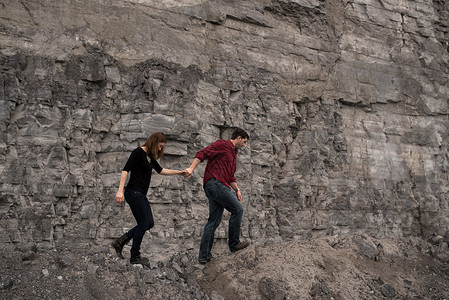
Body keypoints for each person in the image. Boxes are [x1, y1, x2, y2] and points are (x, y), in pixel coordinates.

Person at [112, 132, 186, 265]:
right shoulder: (138, 152)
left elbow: (161, 170)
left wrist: (180, 172)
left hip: (140, 194)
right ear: (154, 142)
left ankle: (121, 241)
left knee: (149, 223)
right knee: (143, 223)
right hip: (133, 192)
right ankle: (134, 255)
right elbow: (125, 170)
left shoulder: (150, 157)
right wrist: (120, 191)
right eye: (159, 146)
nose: (160, 149)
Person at [185, 127, 250, 264]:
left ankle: (204, 257)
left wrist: (237, 190)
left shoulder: (234, 153)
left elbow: (230, 177)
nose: (244, 145)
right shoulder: (222, 145)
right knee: (238, 209)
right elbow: (202, 153)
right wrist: (191, 168)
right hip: (215, 183)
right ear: (238, 138)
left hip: (218, 185)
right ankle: (234, 244)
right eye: (244, 142)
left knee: (213, 221)